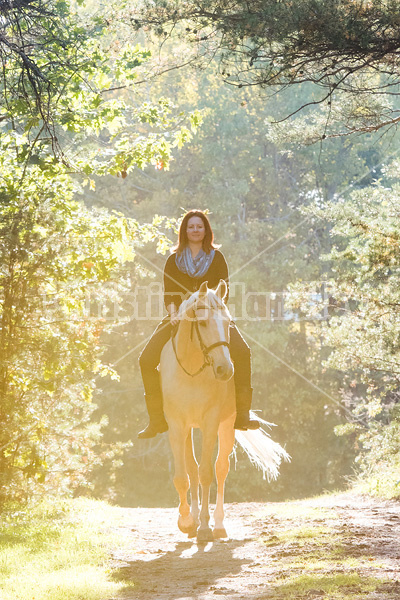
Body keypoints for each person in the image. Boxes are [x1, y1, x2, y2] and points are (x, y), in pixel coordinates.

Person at [138, 209, 260, 439]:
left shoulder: (217, 258)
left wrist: (212, 311)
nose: (195, 230)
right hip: (180, 315)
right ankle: (156, 419)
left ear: (206, 230)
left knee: (243, 352)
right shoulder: (173, 260)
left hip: (211, 314)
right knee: (145, 359)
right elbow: (169, 294)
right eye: (191, 227)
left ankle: (244, 413)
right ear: (184, 231)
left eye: (199, 226)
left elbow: (225, 290)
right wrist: (174, 313)